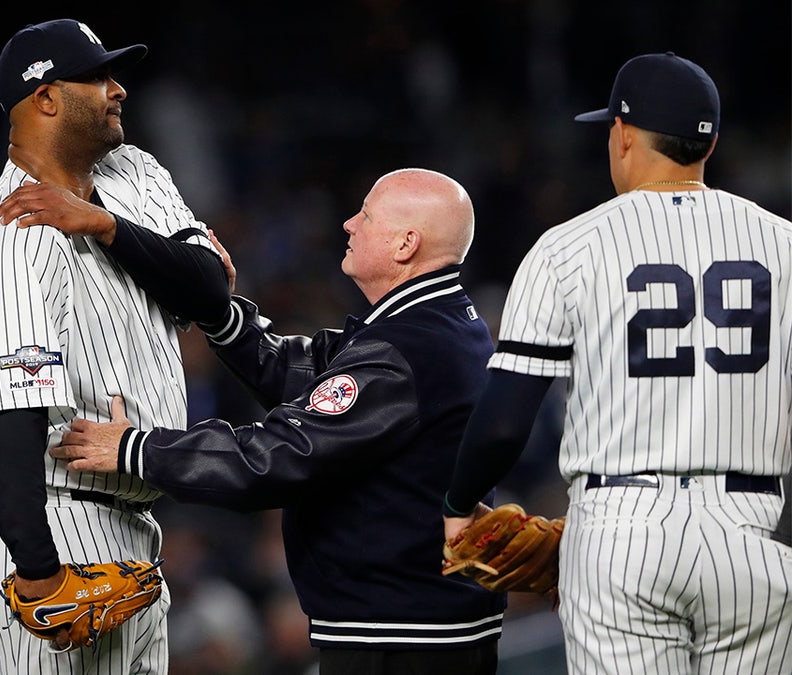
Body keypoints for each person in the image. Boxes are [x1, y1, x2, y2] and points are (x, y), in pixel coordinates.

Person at [49, 168, 507, 675]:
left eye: (367, 216)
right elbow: (308, 373)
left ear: (406, 243)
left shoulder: (406, 349)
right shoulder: (436, 324)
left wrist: (137, 450)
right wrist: (218, 313)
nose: (349, 224)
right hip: (425, 623)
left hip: (403, 640)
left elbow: (277, 458)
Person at [441, 52, 792, 674]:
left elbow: (501, 423)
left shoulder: (567, 247)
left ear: (624, 134)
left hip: (622, 536)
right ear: (706, 146)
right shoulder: (784, 246)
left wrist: (460, 505)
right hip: (755, 538)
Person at [0, 18, 230, 674]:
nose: (118, 88)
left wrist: (105, 225)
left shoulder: (134, 168)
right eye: (96, 76)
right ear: (44, 98)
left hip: (126, 512)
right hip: (48, 508)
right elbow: (9, 410)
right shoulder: (19, 229)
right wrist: (40, 572)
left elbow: (211, 289)